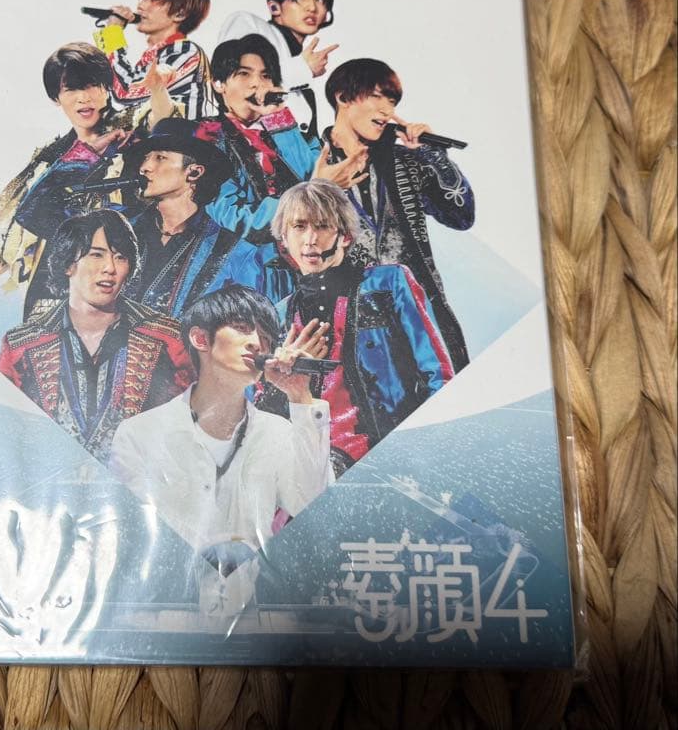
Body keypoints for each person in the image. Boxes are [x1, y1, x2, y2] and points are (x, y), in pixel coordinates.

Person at [109, 285, 334, 553]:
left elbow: (312, 506)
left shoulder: (277, 432)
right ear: (200, 339)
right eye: (241, 328)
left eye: (265, 337)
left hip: (251, 578)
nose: (257, 343)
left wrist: (300, 396)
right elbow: (129, 531)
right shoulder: (139, 433)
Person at [256, 180, 452, 477]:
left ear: (345, 235)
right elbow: (264, 416)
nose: (310, 239)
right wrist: (281, 380)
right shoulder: (278, 316)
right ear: (284, 237)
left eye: (322, 226)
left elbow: (438, 373)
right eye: (299, 227)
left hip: (399, 456)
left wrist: (426, 450)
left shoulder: (389, 283)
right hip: (321, 468)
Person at [0, 43, 128, 326]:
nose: (83, 97)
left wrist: (114, 31)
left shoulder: (128, 137)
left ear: (107, 87)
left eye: (92, 84)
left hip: (109, 294)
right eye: (71, 89)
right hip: (49, 296)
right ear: (56, 98)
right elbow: (19, 238)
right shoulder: (49, 158)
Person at [0, 210, 191, 462]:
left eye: (121, 258)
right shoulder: (21, 344)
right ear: (69, 264)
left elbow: (191, 426)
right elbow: (1, 430)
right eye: (96, 255)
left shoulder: (167, 338)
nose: (110, 268)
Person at [322, 58, 474, 369]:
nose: (387, 110)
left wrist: (433, 154)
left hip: (421, 319)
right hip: (351, 327)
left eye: (392, 101)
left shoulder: (406, 161)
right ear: (343, 97)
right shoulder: (309, 159)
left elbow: (461, 216)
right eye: (377, 96)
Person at [202, 34, 366, 247]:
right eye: (244, 74)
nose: (257, 84)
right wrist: (316, 190)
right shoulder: (206, 136)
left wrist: (279, 120)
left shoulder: (287, 128)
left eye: (265, 76)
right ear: (218, 83)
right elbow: (239, 220)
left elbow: (312, 174)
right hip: (254, 259)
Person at [120, 118, 258, 316]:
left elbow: (248, 324)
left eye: (160, 157)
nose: (144, 167)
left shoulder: (235, 252)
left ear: (194, 172)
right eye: (146, 158)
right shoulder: (121, 228)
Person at [218, 0, 340, 136]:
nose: (312, 8)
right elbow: (234, 82)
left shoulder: (298, 55)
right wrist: (303, 68)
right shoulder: (249, 24)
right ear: (274, 7)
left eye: (320, 0)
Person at [97, 0, 213, 122]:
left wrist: (112, 34)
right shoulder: (156, 55)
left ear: (180, 13)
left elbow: (125, 94)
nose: (140, 6)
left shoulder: (186, 52)